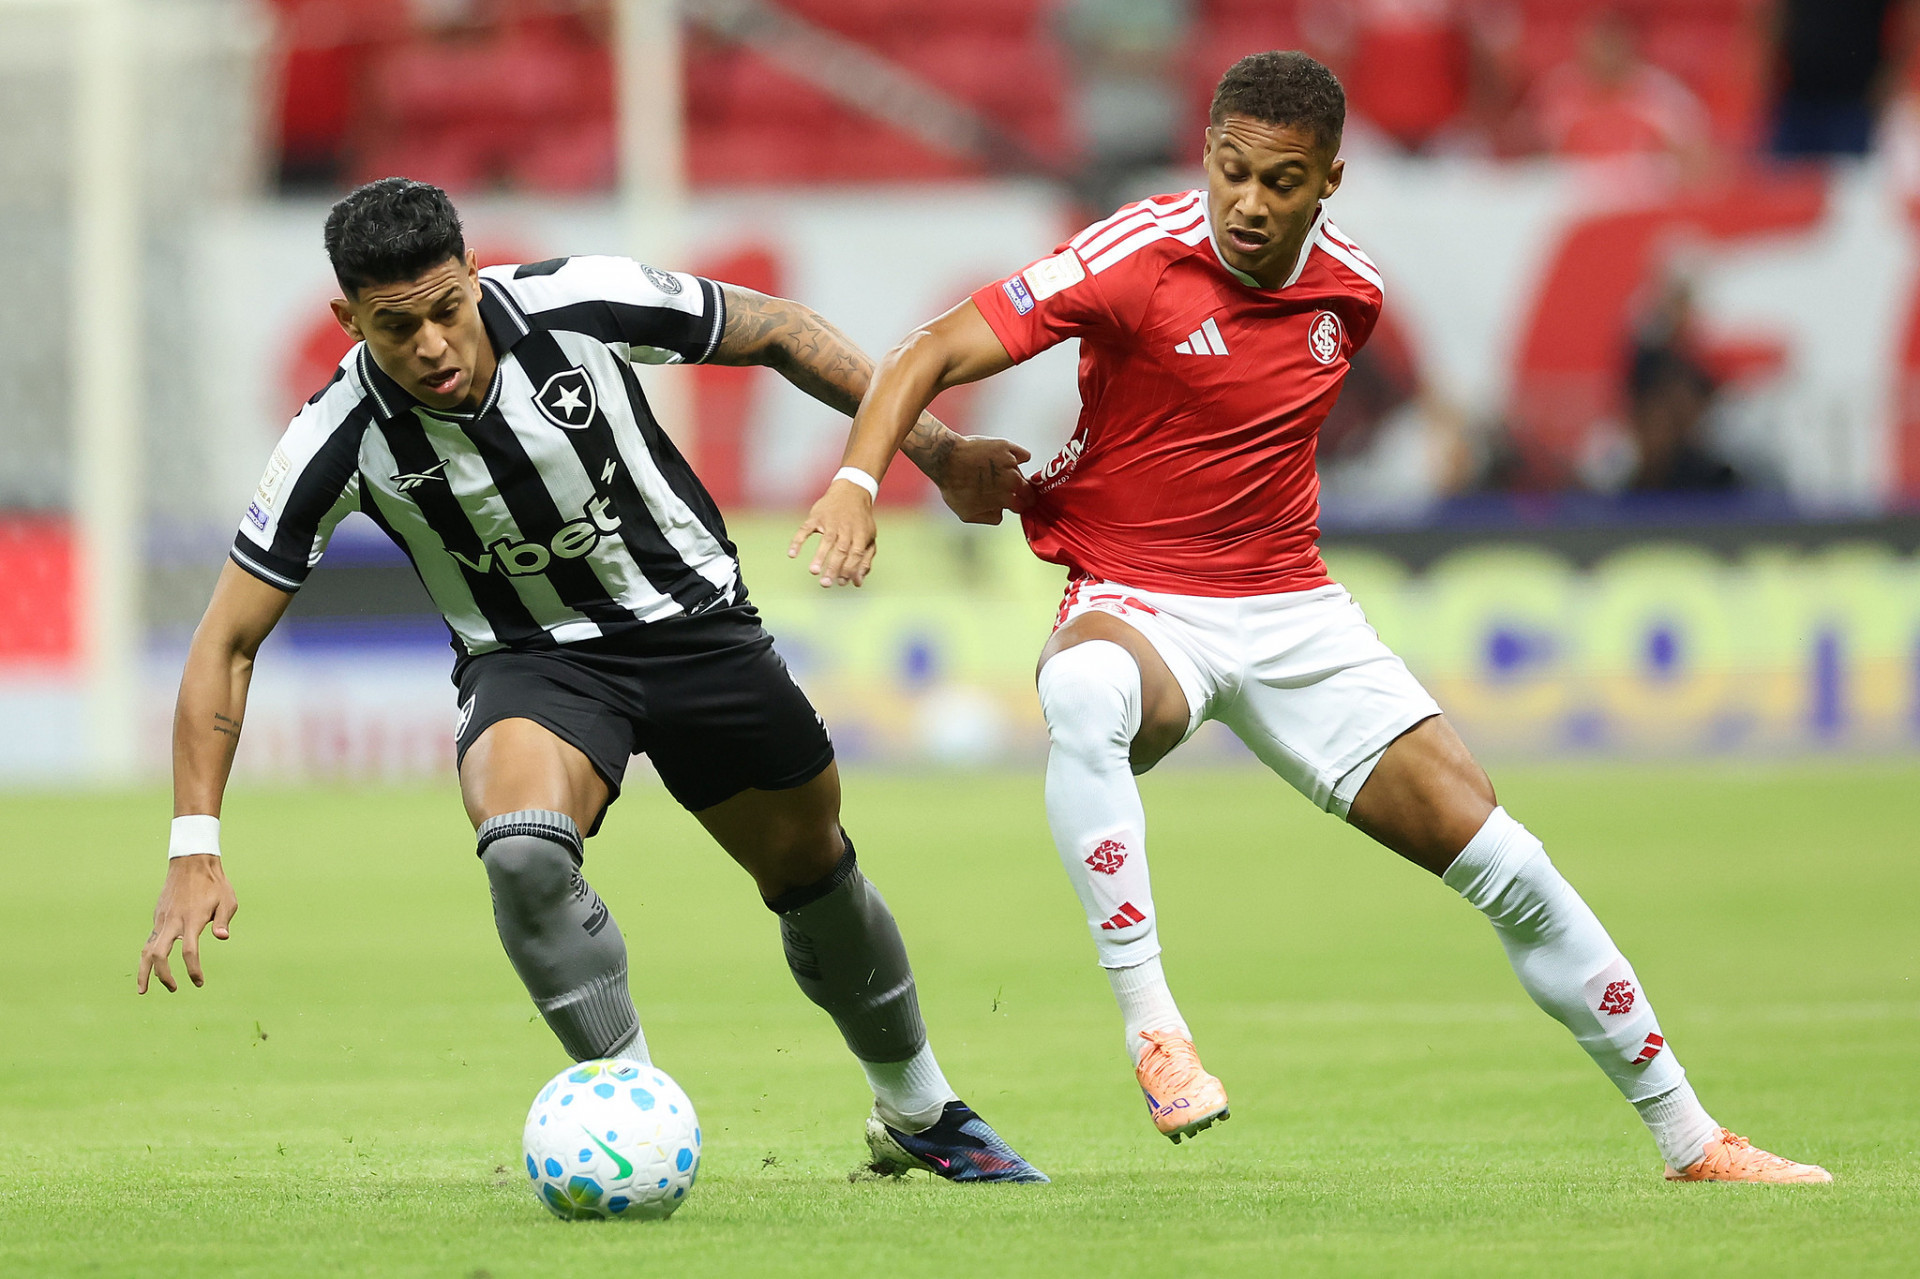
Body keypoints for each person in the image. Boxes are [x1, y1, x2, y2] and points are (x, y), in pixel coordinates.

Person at [791, 52, 1829, 1184]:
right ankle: (1156, 1031)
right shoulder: (1136, 254)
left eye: (1279, 181)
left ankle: (1692, 1137)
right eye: (1230, 170)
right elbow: (933, 346)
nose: (1246, 202)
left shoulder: (1354, 296)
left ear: (1329, 178)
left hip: (1294, 614)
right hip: (1144, 600)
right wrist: (861, 481)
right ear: (1207, 155)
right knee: (1084, 694)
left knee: (1512, 864)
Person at [135, 178, 1045, 1184]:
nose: (434, 344)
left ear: (474, 276)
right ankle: (634, 1122)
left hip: (694, 627)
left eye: (448, 308)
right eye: (398, 329)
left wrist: (938, 450)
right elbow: (226, 640)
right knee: (522, 857)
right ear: (348, 319)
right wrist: (194, 841)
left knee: (813, 875)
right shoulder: (335, 436)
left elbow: (780, 330)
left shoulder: (578, 300)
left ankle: (918, 1107)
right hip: (531, 664)